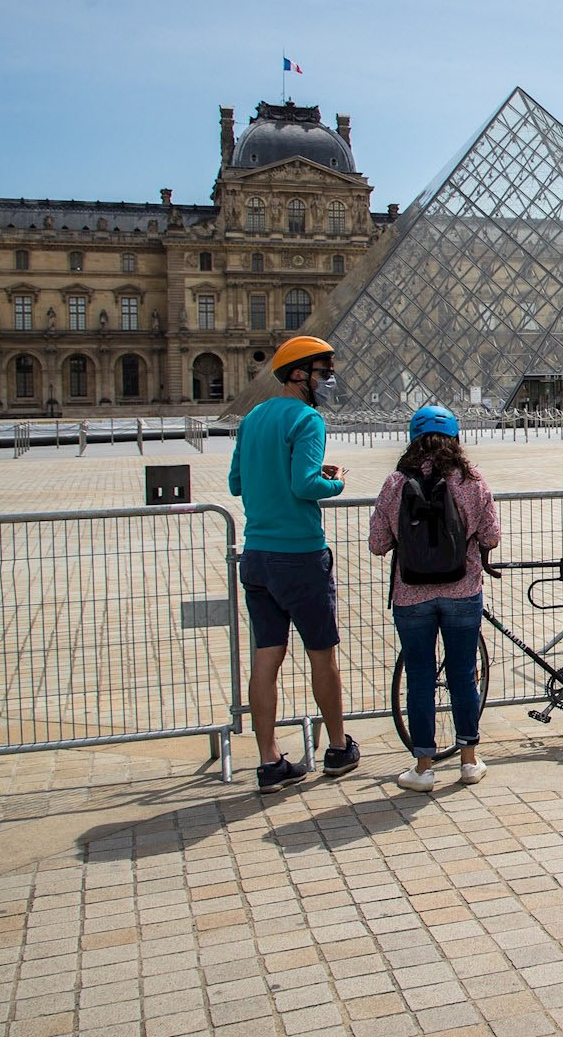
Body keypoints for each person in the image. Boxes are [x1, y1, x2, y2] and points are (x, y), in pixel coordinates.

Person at [228, 335, 359, 793]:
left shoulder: (252, 419)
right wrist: (336, 481)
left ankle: (269, 762)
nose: (329, 381)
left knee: (267, 656)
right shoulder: (307, 419)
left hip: (257, 555)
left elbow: (236, 482)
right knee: (322, 654)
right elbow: (306, 486)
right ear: (300, 374)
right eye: (324, 372)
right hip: (299, 554)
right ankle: (339, 748)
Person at [368, 405, 501, 792]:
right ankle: (469, 761)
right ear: (456, 439)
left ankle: (423, 767)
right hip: (462, 591)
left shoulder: (396, 483)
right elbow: (491, 536)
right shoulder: (473, 481)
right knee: (463, 675)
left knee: (420, 678)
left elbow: (378, 544)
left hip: (411, 595)